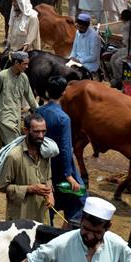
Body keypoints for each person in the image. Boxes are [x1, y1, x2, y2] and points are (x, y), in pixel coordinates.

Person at [36, 76, 85, 226]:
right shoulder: (63, 118)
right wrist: (68, 175)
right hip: (60, 166)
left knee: (48, 200)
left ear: (46, 92)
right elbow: (65, 148)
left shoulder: (38, 111)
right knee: (80, 198)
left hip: (42, 163)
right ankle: (68, 229)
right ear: (63, 93)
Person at [0, 112, 54, 222]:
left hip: (42, 216)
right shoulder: (14, 156)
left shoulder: (46, 152)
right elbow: (3, 186)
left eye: (43, 131)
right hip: (20, 219)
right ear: (26, 131)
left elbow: (48, 178)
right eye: (36, 132)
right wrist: (30, 189)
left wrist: (50, 194)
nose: (41, 136)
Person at [0, 51, 38, 148]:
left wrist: (39, 112)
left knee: (7, 147)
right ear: (16, 63)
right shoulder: (2, 76)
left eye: (27, 64)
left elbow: (30, 97)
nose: (27, 67)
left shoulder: (24, 78)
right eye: (24, 64)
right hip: (4, 117)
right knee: (15, 146)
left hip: (16, 116)